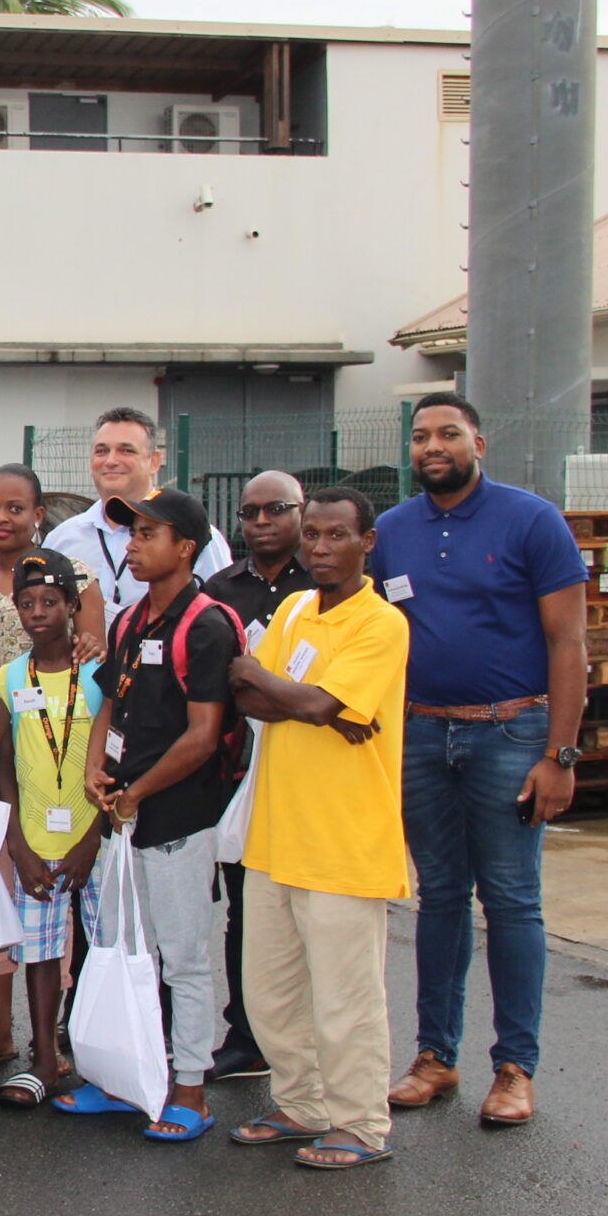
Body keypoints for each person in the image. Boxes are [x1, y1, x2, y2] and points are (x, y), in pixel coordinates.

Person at [372, 392, 587, 1128]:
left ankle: (515, 1066)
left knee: (512, 900)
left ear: (479, 442)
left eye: (449, 433)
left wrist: (560, 754)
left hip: (512, 735)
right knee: (438, 897)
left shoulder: (532, 520)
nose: (434, 446)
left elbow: (569, 644)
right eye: (422, 435)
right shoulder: (392, 532)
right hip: (421, 736)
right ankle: (435, 1055)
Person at [228, 487, 411, 1169]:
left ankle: (361, 1122)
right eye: (313, 536)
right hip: (277, 834)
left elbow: (306, 700)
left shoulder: (381, 623)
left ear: (368, 542)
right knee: (270, 990)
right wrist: (304, 700)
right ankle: (302, 1103)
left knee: (346, 994)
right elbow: (259, 697)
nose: (322, 548)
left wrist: (282, 686)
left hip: (345, 838)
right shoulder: (299, 608)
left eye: (338, 535)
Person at [66, 488, 243, 1142]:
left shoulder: (207, 624)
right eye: (131, 532)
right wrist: (95, 770)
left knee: (184, 957)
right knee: (118, 946)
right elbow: (110, 702)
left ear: (186, 547)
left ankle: (190, 1087)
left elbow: (202, 735)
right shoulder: (129, 619)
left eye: (148, 533)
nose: (133, 544)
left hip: (177, 820)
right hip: (123, 814)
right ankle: (121, 1076)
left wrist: (139, 791)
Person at [197, 469, 312, 1082]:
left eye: (276, 510)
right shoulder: (221, 590)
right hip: (239, 772)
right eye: (250, 513)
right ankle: (247, 1034)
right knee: (246, 908)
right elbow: (218, 686)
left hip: (312, 771)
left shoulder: (325, 586)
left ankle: (306, 1041)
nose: (262, 523)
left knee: (311, 909)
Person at [0, 556, 108, 1109]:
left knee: (104, 949)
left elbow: (116, 757)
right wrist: (16, 842)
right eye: (27, 604)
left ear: (73, 607)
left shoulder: (101, 673)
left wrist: (93, 837)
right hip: (35, 838)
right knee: (38, 951)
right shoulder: (10, 678)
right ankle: (42, 1062)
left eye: (50, 602)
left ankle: (105, 1058)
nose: (38, 613)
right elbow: (4, 761)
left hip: (95, 838)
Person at [41, 408, 232, 615]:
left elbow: (221, 610)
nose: (111, 461)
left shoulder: (196, 535)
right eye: (101, 451)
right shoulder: (62, 538)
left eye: (126, 450)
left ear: (155, 461)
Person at [0, 463, 101, 673]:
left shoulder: (74, 576)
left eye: (15, 509)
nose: (0, 517)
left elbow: (96, 664)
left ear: (38, 516)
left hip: (56, 704)